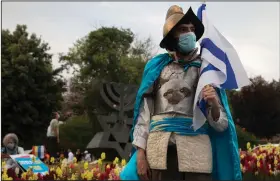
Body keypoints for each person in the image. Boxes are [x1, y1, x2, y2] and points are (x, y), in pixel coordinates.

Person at [120, 5, 241, 181]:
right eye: (183, 29)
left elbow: (221, 125)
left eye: (192, 29)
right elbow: (143, 116)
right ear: (172, 36)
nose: (190, 34)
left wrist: (214, 103)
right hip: (159, 151)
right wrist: (140, 154)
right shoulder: (156, 68)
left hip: (197, 154)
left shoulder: (205, 69)